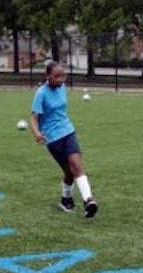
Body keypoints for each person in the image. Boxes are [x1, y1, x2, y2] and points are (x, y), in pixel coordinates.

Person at [30, 60, 97, 218]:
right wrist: (37, 133)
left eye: (63, 76)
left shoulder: (63, 87)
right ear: (48, 76)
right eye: (57, 76)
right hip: (53, 138)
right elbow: (34, 117)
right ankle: (66, 198)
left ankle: (89, 200)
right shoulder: (41, 93)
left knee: (77, 166)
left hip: (68, 131)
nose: (61, 79)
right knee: (68, 173)